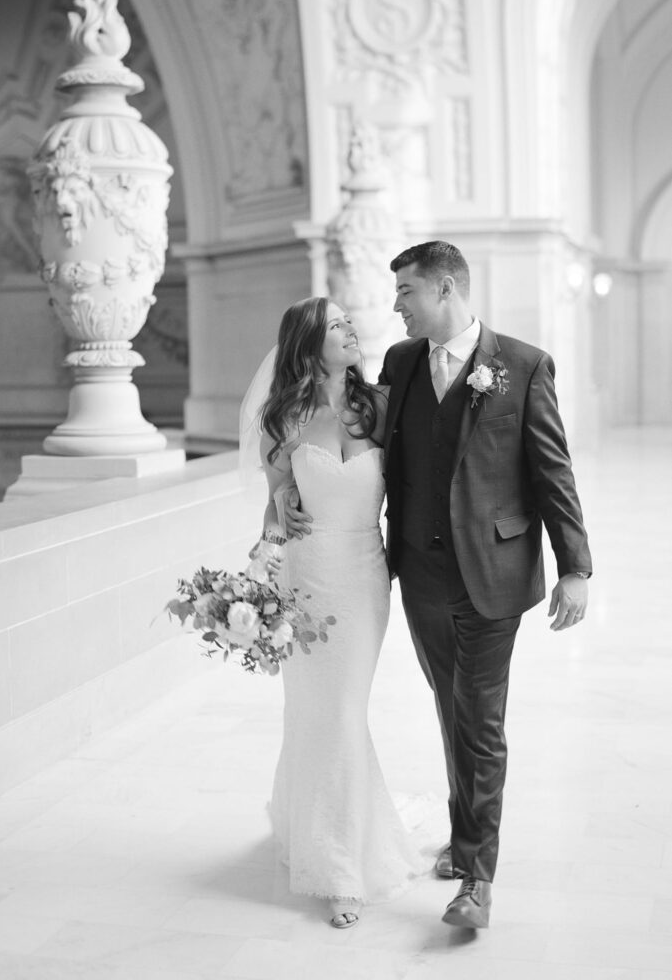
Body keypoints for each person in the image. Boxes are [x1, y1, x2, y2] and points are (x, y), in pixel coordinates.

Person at [284, 241, 593, 930]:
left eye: (406, 293)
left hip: (493, 575)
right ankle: (462, 839)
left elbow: (552, 472)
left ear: (445, 288)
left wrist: (574, 566)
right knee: (450, 710)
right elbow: (365, 447)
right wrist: (301, 499)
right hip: (416, 577)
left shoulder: (521, 365)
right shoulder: (396, 364)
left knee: (480, 722)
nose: (394, 306)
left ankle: (476, 881)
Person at [248, 296, 424, 930]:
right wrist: (277, 522)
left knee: (345, 709)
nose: (352, 331)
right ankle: (333, 860)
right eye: (338, 326)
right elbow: (274, 505)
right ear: (309, 344)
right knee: (317, 711)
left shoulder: (376, 405)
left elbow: (408, 485)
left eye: (350, 323)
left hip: (362, 574)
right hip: (306, 575)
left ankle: (342, 851)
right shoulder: (284, 418)